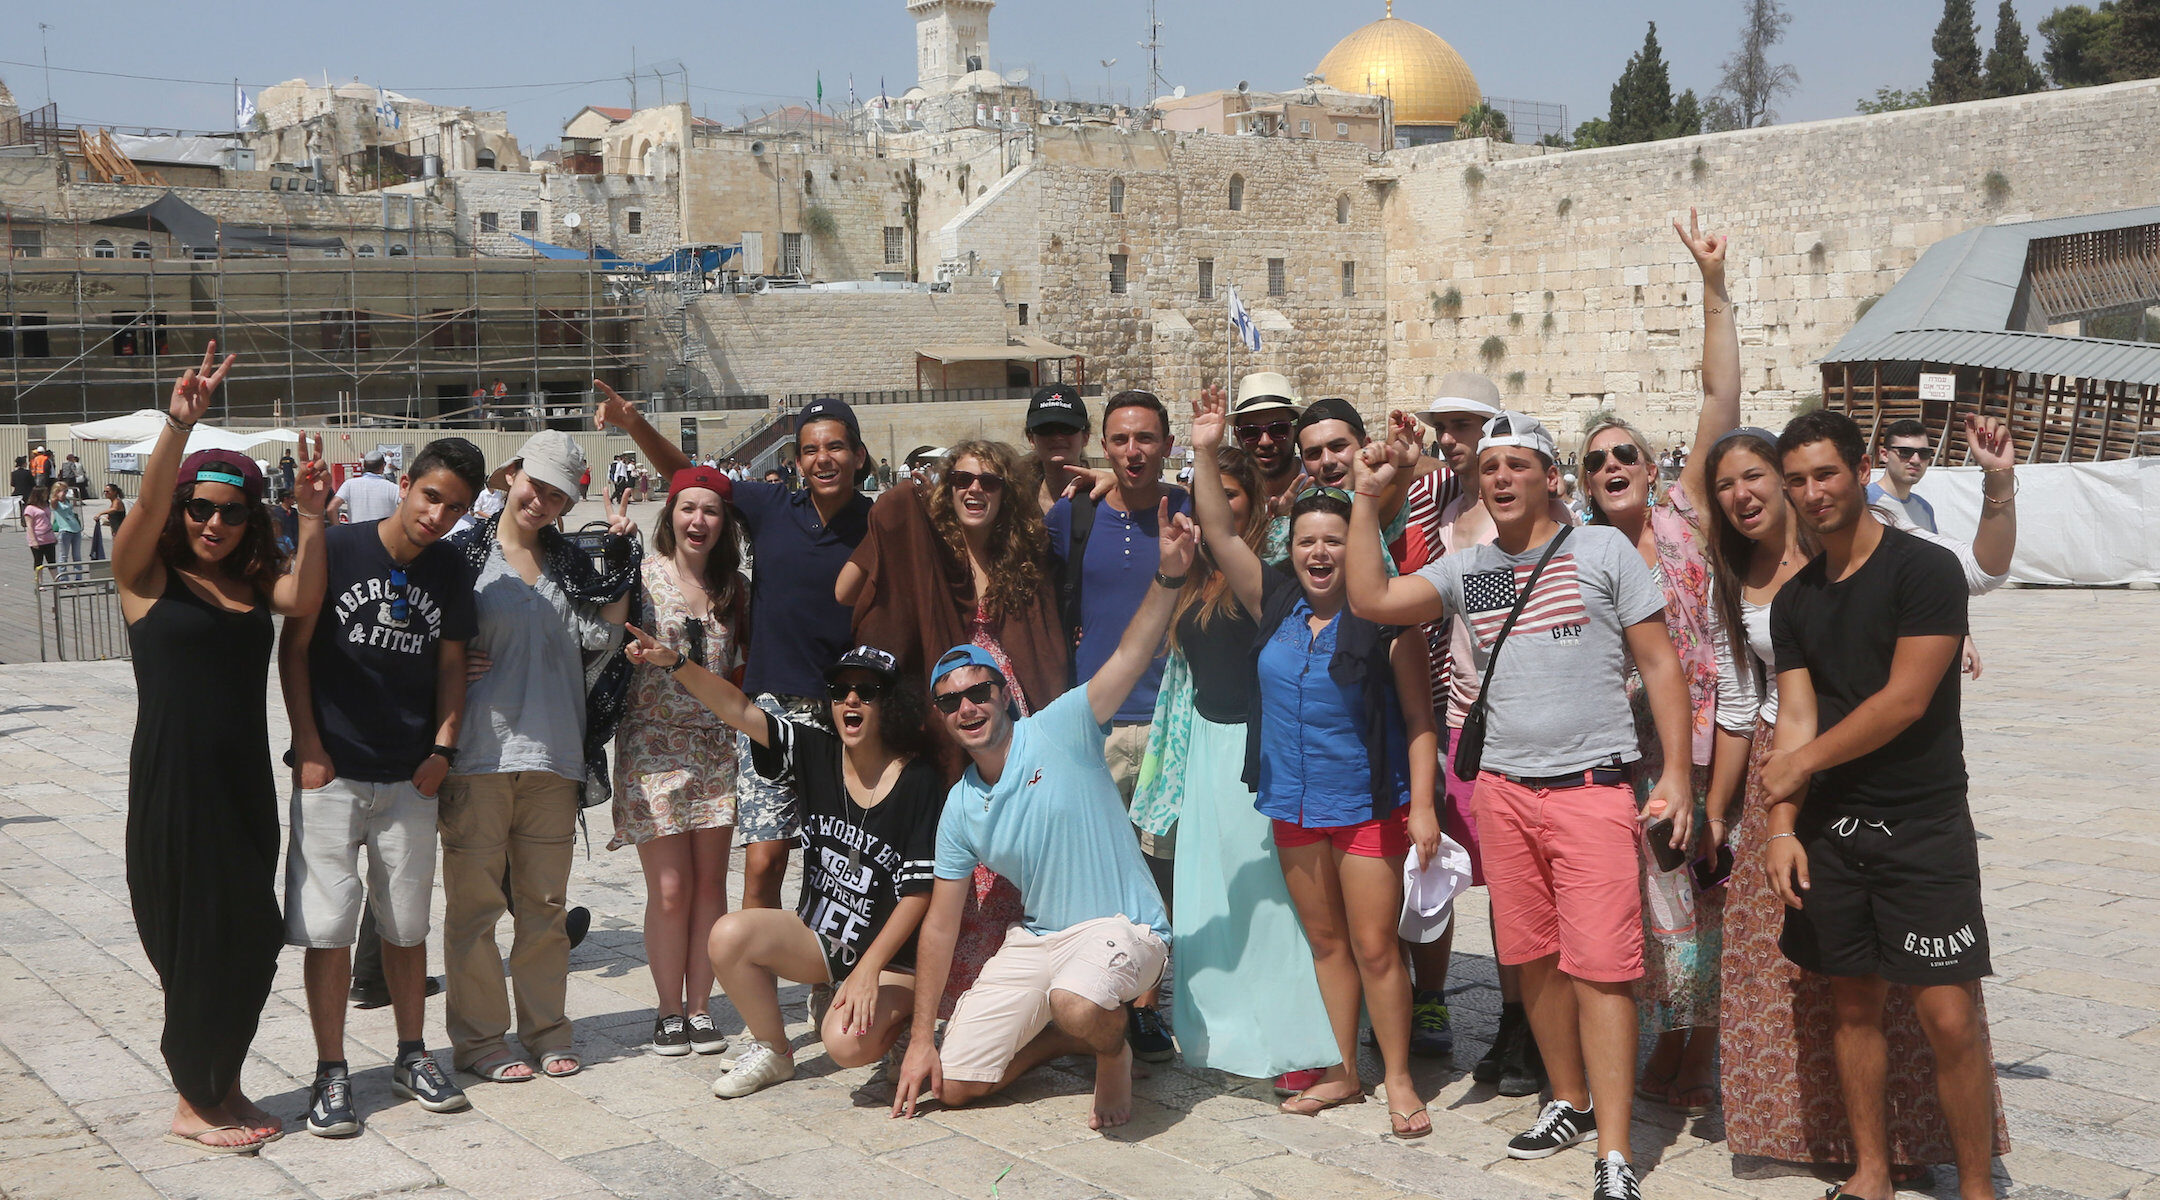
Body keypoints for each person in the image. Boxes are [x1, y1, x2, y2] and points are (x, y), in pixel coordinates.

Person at [1347, 410, 1695, 1200]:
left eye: (1518, 465)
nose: (1501, 478)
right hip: (1505, 793)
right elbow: (1373, 598)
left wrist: (1675, 773)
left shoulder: (1599, 550)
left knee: (1604, 972)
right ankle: (1566, 1098)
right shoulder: (1482, 571)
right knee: (1532, 957)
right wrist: (1369, 499)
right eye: (1490, 467)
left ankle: (1614, 1151)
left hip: (1590, 792)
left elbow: (1660, 666)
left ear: (1547, 476)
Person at [1702, 417, 2015, 1190]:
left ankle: (1976, 1185)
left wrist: (1796, 763)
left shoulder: (1924, 570)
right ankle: (1870, 1171)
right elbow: (1797, 711)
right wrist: (1780, 827)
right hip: (1830, 832)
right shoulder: (1795, 603)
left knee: (1948, 1018)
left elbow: (1905, 700)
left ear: (1862, 470)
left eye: (1825, 475)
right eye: (1799, 479)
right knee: (1852, 1008)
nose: (1812, 493)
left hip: (1923, 825)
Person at [891, 505, 1194, 1131]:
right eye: (952, 701)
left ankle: (1108, 1045)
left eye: (980, 692)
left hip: (1125, 926)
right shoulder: (959, 807)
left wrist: (1166, 578)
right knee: (958, 1084)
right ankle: (1069, 1041)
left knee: (1077, 1003)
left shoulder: (1059, 727)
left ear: (1005, 692)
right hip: (1039, 938)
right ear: (941, 716)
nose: (968, 708)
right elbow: (941, 928)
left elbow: (1131, 655)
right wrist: (923, 1039)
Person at [1188, 399, 1439, 1137]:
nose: (1321, 553)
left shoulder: (1387, 615)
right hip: (1292, 804)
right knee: (1326, 944)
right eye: (1307, 542)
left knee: (1374, 947)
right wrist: (1205, 451)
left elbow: (1422, 722)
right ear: (1290, 548)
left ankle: (1396, 1076)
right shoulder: (1276, 602)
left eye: (1333, 540)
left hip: (1364, 806)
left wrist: (1422, 807)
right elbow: (1217, 531)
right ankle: (1343, 1069)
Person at [113, 343, 329, 1154]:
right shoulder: (145, 578)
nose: (212, 522)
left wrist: (308, 514)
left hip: (243, 788)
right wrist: (178, 426)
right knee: (194, 940)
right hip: (174, 788)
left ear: (249, 519)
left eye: (231, 512)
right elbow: (140, 516)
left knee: (249, 939)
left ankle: (223, 1079)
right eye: (200, 508)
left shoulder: (248, 587)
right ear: (181, 509)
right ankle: (194, 1100)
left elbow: (304, 594)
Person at [1574, 211, 1738, 1116]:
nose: (1612, 465)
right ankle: (1670, 1035)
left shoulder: (1686, 514)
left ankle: (1697, 1047)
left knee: (1703, 888)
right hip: (1629, 747)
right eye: (1596, 461)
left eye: (1624, 452)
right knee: (1656, 901)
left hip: (1710, 741)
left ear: (1649, 462)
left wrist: (1713, 289)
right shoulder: (1581, 553)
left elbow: (1719, 401)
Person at [594, 383, 873, 914]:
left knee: (837, 858)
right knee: (765, 861)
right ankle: (756, 985)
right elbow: (691, 478)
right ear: (796, 461)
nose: (823, 459)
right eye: (810, 449)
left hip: (849, 708)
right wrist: (635, 424)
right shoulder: (770, 506)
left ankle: (826, 981)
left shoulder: (881, 521)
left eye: (835, 447)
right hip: (770, 711)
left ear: (858, 455)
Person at [622, 638, 942, 1097]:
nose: (849, 699)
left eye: (866, 691)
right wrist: (675, 662)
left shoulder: (919, 780)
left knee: (845, 1046)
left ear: (891, 704)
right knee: (729, 934)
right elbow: (739, 710)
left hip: (892, 959)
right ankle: (773, 1050)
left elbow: (918, 893)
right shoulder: (816, 751)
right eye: (838, 688)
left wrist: (870, 969)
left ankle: (907, 1027)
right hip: (824, 940)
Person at [278, 437, 485, 1136]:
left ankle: (411, 1052)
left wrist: (443, 747)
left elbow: (453, 661)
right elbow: (294, 647)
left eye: (455, 507)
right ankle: (331, 1069)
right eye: (431, 497)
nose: (438, 516)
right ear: (405, 484)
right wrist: (307, 743)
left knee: (405, 926)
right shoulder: (339, 548)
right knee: (328, 929)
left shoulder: (452, 567)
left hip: (408, 771)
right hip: (333, 767)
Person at [1125, 438, 1342, 1087]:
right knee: (1212, 894)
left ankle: (1295, 1038)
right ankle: (1220, 1024)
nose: (1213, 505)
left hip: (1257, 749)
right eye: (1205, 491)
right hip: (1204, 749)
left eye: (1229, 491)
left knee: (1271, 899)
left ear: (1249, 503)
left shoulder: (1271, 577)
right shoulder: (1191, 576)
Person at [442, 432, 637, 1084]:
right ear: (512, 475)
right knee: (473, 912)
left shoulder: (568, 566)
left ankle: (547, 1032)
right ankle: (478, 1043)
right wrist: (443, 663)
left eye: (556, 494)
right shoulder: (462, 557)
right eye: (536, 484)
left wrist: (618, 550)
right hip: (476, 760)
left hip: (554, 759)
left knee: (545, 911)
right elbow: (419, 634)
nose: (541, 499)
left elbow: (605, 635)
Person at [1405, 377, 1560, 1097]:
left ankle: (1528, 1023)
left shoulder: (1535, 521)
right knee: (1502, 885)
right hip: (1467, 724)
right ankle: (1512, 1016)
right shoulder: (1440, 504)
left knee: (1522, 888)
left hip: (1527, 725)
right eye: (1443, 427)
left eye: (1463, 424)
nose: (1449, 438)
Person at [1043, 388, 1189, 1060]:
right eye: (1122, 440)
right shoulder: (1072, 518)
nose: (1133, 452)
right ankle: (1093, 996)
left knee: (1159, 875)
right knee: (1096, 871)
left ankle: (1147, 1007)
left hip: (1168, 726)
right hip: (1094, 727)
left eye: (1146, 439)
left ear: (1166, 443)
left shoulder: (1188, 513)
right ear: (1105, 445)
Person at [613, 466, 749, 1058]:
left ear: (725, 523)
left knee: (710, 887)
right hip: (653, 746)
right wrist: (610, 547)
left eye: (711, 511)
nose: (699, 521)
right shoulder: (641, 579)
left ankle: (701, 1008)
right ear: (669, 515)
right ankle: (669, 1009)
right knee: (670, 890)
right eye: (688, 509)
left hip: (715, 747)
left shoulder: (732, 590)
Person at [1229, 372, 1304, 534]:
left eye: (1278, 429)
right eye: (1251, 432)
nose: (1265, 442)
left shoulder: (1321, 481)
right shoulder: (1228, 497)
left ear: (1295, 429)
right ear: (1238, 436)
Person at [1023, 383, 1092, 511]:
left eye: (1067, 428)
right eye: (1045, 429)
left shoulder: (1106, 498)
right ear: (1031, 439)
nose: (1057, 437)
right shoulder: (1017, 502)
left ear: (1085, 437)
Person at [1866, 419, 1936, 533]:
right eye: (1905, 452)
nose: (1916, 460)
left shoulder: (1925, 509)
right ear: (1884, 455)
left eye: (1924, 453)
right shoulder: (1864, 502)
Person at [329, 451, 399, 525]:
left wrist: (338, 530)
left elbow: (331, 508)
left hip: (356, 533)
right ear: (383, 465)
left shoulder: (349, 484)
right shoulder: (392, 488)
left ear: (364, 466)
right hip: (383, 534)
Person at [50, 481, 83, 577]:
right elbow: (54, 501)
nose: (64, 493)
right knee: (64, 556)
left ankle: (79, 578)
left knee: (77, 556)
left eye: (66, 491)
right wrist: (58, 494)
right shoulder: (55, 502)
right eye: (63, 491)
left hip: (75, 528)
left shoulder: (67, 500)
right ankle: (63, 578)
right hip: (65, 530)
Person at [23, 485, 55, 572]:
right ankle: (39, 583)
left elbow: (48, 521)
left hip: (49, 537)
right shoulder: (30, 508)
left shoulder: (46, 505)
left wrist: (53, 536)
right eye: (44, 493)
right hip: (38, 537)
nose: (46, 495)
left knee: (52, 562)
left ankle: (57, 581)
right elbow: (29, 526)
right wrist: (33, 540)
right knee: (38, 562)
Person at [96, 483, 128, 560]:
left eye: (108, 491)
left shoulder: (117, 501)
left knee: (120, 550)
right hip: (115, 530)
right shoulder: (113, 502)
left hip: (120, 531)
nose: (106, 493)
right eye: (105, 491)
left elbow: (114, 509)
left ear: (114, 492)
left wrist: (100, 513)